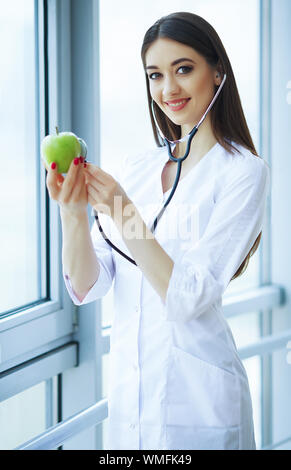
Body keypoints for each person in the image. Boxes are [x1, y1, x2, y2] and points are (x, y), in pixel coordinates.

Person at [43, 12, 270, 450]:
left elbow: (187, 297)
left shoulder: (244, 172)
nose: (168, 89)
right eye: (155, 75)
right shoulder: (140, 168)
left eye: (183, 69)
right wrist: (72, 212)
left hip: (201, 407)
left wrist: (122, 211)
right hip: (132, 405)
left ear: (217, 71)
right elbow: (91, 285)